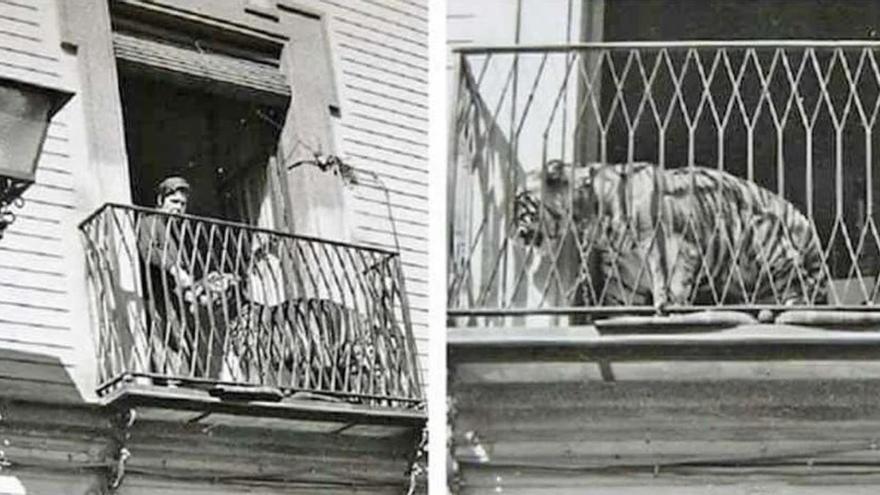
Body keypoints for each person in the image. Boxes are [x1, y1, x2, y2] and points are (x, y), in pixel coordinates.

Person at [137, 176, 196, 377]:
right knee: (164, 338)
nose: (178, 208)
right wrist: (173, 269)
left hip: (172, 298)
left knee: (179, 339)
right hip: (155, 295)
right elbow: (148, 250)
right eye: (174, 202)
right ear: (160, 200)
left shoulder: (174, 231)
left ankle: (180, 378)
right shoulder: (150, 222)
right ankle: (170, 379)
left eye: (182, 204)